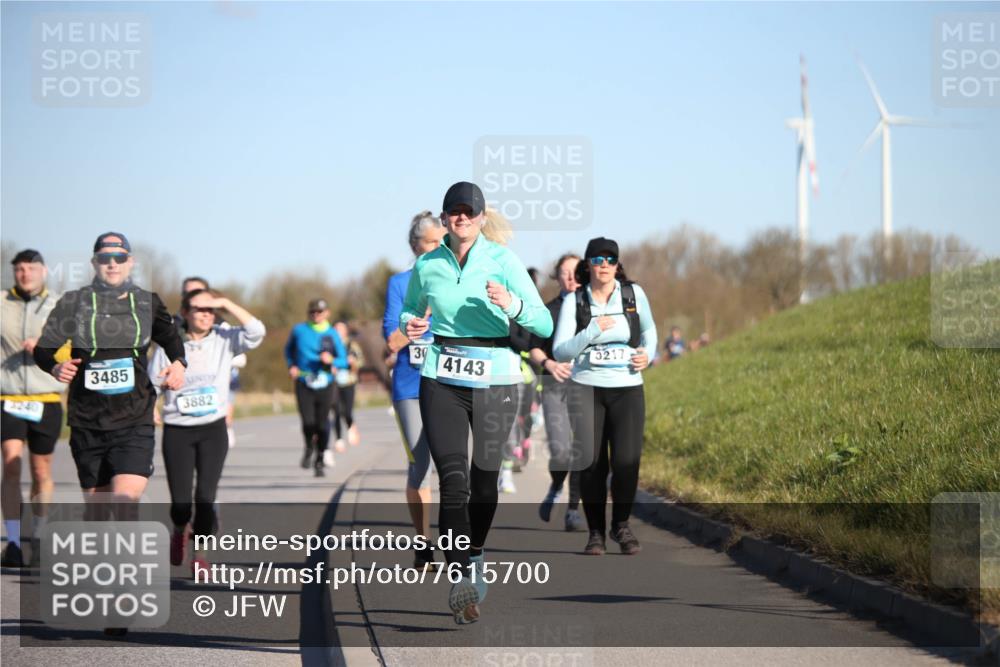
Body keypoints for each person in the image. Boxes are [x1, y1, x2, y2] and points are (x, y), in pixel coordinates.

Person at [400, 181, 552, 624]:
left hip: (496, 376)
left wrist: (514, 302)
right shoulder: (427, 265)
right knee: (451, 477)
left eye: (469, 211)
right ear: (445, 218)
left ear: (482, 218)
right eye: (454, 212)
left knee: (484, 481)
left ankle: (477, 551)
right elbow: (412, 309)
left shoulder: (503, 260)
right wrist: (413, 325)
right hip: (441, 374)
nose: (461, 218)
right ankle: (462, 570)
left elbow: (541, 321)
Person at [34, 234, 187, 497]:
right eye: (105, 258)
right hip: (87, 421)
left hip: (134, 419)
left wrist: (179, 364)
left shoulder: (147, 302)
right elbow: (43, 350)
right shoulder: (73, 302)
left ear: (131, 262)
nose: (113, 264)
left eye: (120, 258)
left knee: (125, 500)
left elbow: (172, 340)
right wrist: (55, 367)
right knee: (98, 515)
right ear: (95, 263)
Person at [553, 237, 657, 556]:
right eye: (597, 260)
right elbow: (560, 350)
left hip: (627, 387)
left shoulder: (632, 294)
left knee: (627, 460)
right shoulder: (576, 301)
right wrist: (590, 333)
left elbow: (650, 331)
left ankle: (621, 526)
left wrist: (647, 355)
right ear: (588, 265)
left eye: (610, 260)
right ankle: (596, 532)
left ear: (617, 265)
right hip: (586, 387)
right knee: (593, 463)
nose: (604, 266)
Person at [151, 289, 264, 576]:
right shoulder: (169, 344)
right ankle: (179, 528)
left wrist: (225, 302)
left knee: (205, 496)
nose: (206, 314)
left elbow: (256, 331)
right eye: (199, 309)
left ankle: (199, 554)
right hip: (177, 429)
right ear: (186, 313)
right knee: (180, 502)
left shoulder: (225, 340)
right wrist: (151, 406)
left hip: (213, 429)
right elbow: (152, 382)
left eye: (210, 310)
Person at [382, 209, 445, 569]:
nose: (438, 247)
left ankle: (459, 543)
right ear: (414, 245)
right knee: (420, 465)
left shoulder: (456, 279)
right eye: (430, 242)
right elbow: (392, 341)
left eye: (442, 241)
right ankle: (423, 543)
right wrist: (420, 322)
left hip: (451, 381)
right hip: (411, 385)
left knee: (455, 466)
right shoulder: (400, 284)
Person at [1, 250, 67, 567]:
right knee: (11, 466)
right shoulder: (2, 302)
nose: (25, 274)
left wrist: (45, 344)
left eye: (31, 268)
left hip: (46, 398)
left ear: (43, 270)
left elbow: (72, 345)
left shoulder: (58, 303)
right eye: (19, 269)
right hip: (9, 398)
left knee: (41, 471)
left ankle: (39, 534)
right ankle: (12, 543)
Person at [530, 253, 586, 532]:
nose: (571, 277)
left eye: (576, 271)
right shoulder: (548, 311)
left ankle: (573, 510)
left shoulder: (593, 308)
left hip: (587, 386)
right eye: (565, 272)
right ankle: (555, 484)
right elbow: (533, 347)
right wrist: (549, 364)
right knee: (561, 451)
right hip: (554, 387)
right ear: (557, 277)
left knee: (582, 450)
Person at [175, 277, 245, 448]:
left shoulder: (219, 323)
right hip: (185, 383)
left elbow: (249, 337)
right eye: (188, 292)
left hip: (217, 378)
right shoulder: (173, 323)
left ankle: (224, 426)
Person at [284, 299, 347, 476]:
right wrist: (292, 366)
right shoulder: (299, 330)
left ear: (327, 313)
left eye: (319, 312)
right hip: (304, 382)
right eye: (312, 312)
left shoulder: (332, 334)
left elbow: (343, 359)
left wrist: (333, 361)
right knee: (307, 422)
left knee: (322, 423)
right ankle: (308, 447)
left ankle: (320, 458)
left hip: (326, 382)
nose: (316, 315)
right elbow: (288, 351)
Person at [332, 321, 364, 450]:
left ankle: (351, 425)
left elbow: (360, 361)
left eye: (341, 329)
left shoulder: (352, 345)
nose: (338, 332)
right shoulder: (330, 345)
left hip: (349, 381)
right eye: (336, 329)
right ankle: (339, 439)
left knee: (347, 411)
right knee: (336, 410)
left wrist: (353, 363)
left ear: (345, 331)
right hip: (334, 382)